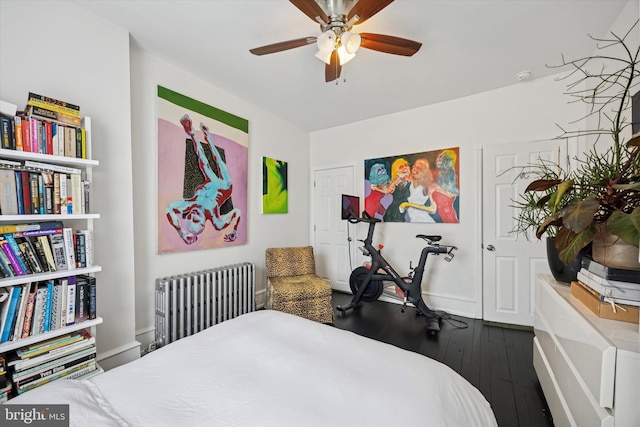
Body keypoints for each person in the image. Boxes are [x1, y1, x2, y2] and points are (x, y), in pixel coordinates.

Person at [165, 114, 241, 244]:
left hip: (209, 182)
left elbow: (169, 209)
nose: (192, 215)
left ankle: (193, 134)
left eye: (189, 217)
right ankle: (208, 136)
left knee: (203, 162)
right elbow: (237, 212)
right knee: (219, 163)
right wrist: (234, 230)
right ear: (203, 223)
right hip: (224, 187)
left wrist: (181, 232)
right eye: (195, 220)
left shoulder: (190, 204)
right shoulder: (215, 220)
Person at [382, 158, 411, 222]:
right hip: (393, 214)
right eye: (401, 167)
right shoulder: (396, 183)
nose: (405, 168)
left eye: (406, 165)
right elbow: (388, 191)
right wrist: (398, 177)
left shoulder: (412, 182)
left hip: (403, 214)